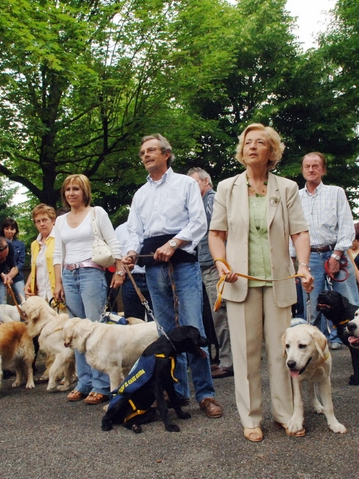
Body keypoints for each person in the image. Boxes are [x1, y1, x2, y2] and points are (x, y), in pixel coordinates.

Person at [208, 124, 313, 442]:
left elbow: (299, 232)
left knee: (285, 353)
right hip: (240, 283)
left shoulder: (287, 188)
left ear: (272, 152)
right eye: (248, 142)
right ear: (242, 150)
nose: (252, 146)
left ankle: (285, 414)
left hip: (279, 280)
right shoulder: (227, 188)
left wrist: (304, 266)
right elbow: (216, 234)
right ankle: (251, 417)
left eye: (260, 143)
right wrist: (221, 264)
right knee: (245, 352)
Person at [122, 134, 223, 420]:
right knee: (165, 332)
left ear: (167, 154)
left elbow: (198, 222)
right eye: (142, 152)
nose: (145, 155)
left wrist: (174, 243)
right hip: (153, 265)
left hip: (184, 262)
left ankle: (206, 394)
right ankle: (177, 392)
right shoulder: (140, 195)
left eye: (151, 150)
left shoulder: (186, 184)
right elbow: (134, 230)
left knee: (193, 329)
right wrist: (131, 251)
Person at [53, 174, 124, 405]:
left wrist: (120, 270)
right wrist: (58, 283)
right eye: (67, 189)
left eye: (76, 189)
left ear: (85, 192)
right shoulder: (60, 220)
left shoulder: (97, 213)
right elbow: (57, 253)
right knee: (74, 331)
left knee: (95, 331)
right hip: (68, 274)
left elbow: (113, 241)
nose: (71, 193)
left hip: (91, 273)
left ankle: (101, 384)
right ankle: (84, 383)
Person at [295, 152, 359, 350]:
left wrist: (337, 255)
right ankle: (315, 352)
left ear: (323, 169)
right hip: (309, 257)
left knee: (351, 304)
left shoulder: (336, 192)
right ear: (303, 170)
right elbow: (292, 231)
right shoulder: (295, 197)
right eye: (307, 166)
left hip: (336, 253)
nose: (311, 170)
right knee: (312, 308)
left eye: (316, 166)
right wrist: (297, 262)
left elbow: (347, 226)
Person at [188, 167, 233, 379]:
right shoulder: (198, 203)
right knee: (215, 316)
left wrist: (223, 261)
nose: (191, 187)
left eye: (194, 182)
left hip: (216, 265)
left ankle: (229, 362)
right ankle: (224, 359)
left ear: (207, 181)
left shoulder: (212, 201)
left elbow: (223, 233)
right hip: (204, 264)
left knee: (221, 314)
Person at [114, 222, 152, 321]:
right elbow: (116, 253)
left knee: (157, 320)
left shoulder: (153, 224)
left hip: (153, 274)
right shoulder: (120, 229)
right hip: (130, 278)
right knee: (132, 320)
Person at [24, 204, 56, 302]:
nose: (41, 224)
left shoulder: (59, 239)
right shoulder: (34, 244)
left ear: (53, 220)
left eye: (45, 220)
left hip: (56, 293)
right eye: (38, 221)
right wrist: (27, 285)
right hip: (40, 295)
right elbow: (35, 268)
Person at [0, 218, 26, 304]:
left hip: (16, 277)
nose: (9, 231)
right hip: (0, 278)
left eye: (12, 229)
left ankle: (24, 317)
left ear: (15, 230)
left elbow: (21, 263)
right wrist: (4, 277)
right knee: (2, 303)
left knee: (24, 301)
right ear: (3, 230)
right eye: (7, 228)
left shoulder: (20, 245)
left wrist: (9, 276)